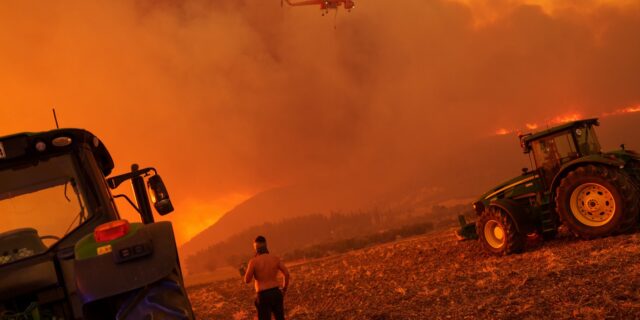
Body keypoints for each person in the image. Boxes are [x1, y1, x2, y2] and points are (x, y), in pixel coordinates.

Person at [244, 235, 290, 320]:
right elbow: (286, 274)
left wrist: (245, 272)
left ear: (255, 247)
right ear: (266, 245)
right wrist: (284, 289)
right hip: (276, 293)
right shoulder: (275, 258)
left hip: (263, 296)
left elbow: (247, 280)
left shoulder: (253, 262)